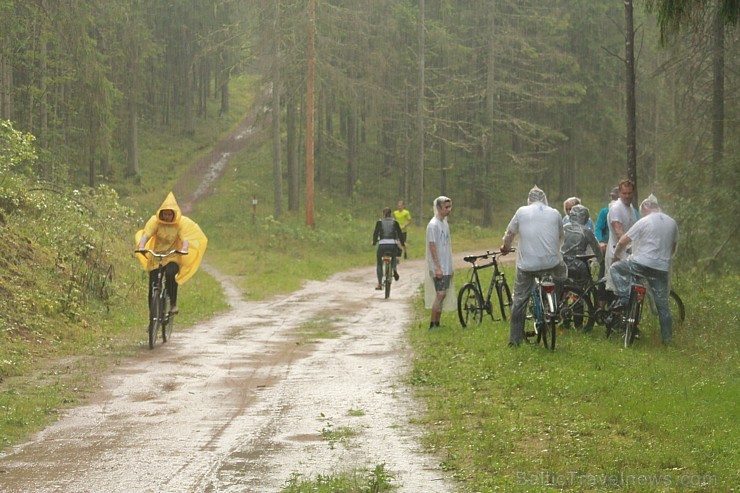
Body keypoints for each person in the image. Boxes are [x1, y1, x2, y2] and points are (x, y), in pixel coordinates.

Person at [501, 185, 566, 346]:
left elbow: (510, 234)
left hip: (527, 265)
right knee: (562, 276)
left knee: (520, 299)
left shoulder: (521, 212)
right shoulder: (555, 213)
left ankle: (514, 340)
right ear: (544, 199)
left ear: (529, 200)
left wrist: (506, 247)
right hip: (552, 262)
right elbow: (560, 236)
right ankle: (555, 303)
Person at [610, 194, 678, 345]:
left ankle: (625, 299)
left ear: (646, 209)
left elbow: (623, 241)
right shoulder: (672, 223)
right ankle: (667, 340)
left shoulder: (644, 221)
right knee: (663, 306)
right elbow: (672, 248)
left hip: (640, 264)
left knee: (615, 269)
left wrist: (616, 256)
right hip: (661, 269)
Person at [135, 192, 208, 314]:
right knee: (153, 285)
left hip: (172, 257)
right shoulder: (154, 222)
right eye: (165, 214)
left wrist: (184, 249)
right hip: (156, 257)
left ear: (174, 214)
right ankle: (152, 317)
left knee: (170, 274)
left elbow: (185, 240)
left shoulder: (179, 224)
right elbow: (146, 235)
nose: (167, 216)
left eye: (170, 214)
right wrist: (141, 246)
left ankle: (173, 304)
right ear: (161, 214)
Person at [425, 196, 454, 329]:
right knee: (440, 293)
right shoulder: (433, 225)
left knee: (443, 294)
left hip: (446, 265)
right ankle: (432, 323)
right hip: (438, 266)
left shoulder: (444, 223)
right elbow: (432, 246)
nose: (449, 210)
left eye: (450, 207)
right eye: (446, 207)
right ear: (438, 208)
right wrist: (437, 267)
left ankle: (438, 322)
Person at [604, 179, 638, 292]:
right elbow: (619, 232)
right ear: (619, 193)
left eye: (629, 193)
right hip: (617, 254)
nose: (627, 196)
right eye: (624, 193)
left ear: (633, 193)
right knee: (617, 291)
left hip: (628, 254)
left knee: (628, 289)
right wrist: (629, 247)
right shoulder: (617, 208)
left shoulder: (630, 208)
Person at [561, 204, 602, 290]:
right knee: (584, 287)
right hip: (578, 265)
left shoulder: (563, 228)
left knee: (562, 286)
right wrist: (600, 260)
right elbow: (596, 248)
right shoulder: (586, 231)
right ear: (585, 217)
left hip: (562, 263)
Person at [594, 186, 620, 305]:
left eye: (616, 197)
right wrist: (601, 241)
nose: (614, 199)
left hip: (622, 250)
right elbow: (598, 228)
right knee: (603, 275)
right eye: (613, 197)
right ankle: (601, 305)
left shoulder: (631, 211)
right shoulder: (605, 212)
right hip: (607, 248)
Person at [372, 207, 404, 290]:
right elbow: (400, 234)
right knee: (393, 257)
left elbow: (376, 233)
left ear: (383, 214)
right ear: (391, 214)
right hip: (392, 245)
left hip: (382, 245)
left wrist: (374, 242)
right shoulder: (395, 222)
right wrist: (403, 244)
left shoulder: (379, 222)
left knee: (379, 263)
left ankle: (379, 284)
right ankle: (394, 268)